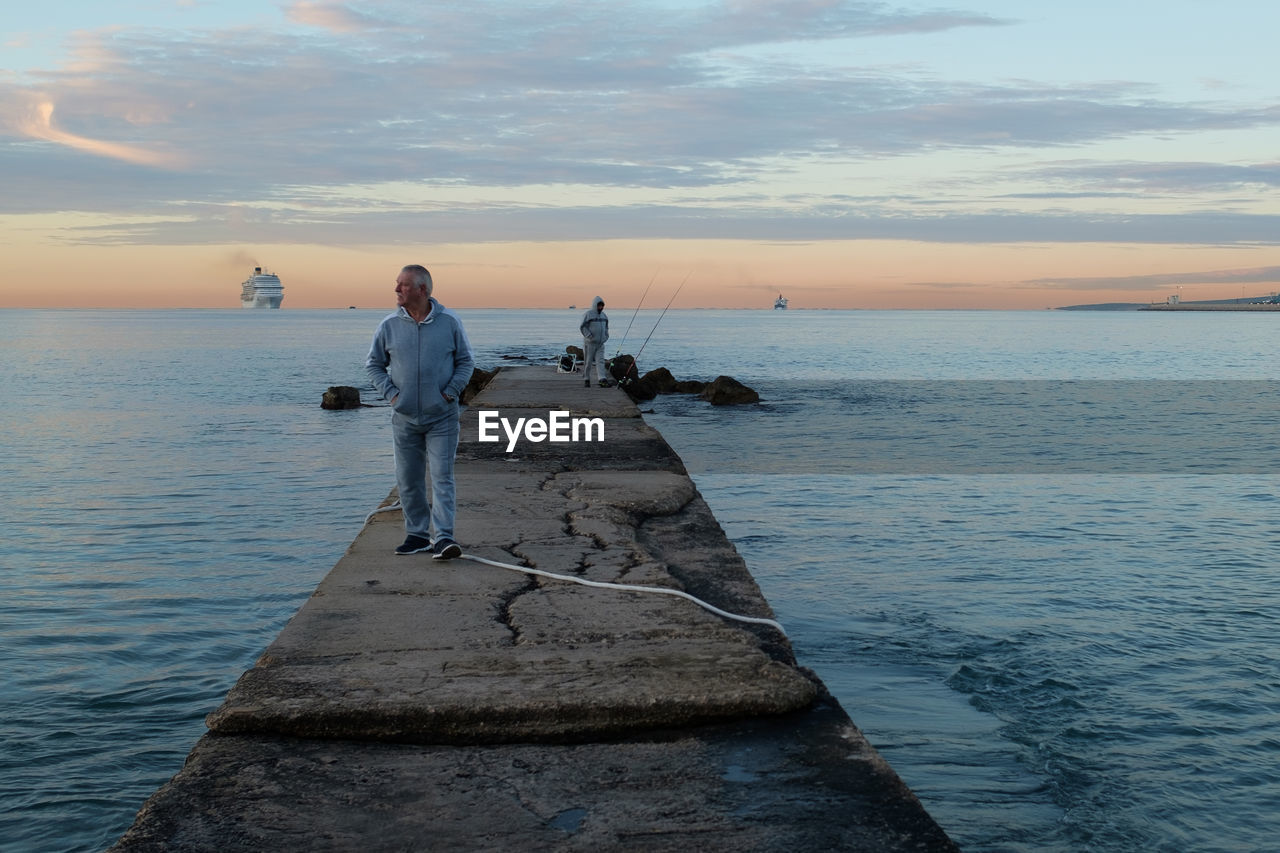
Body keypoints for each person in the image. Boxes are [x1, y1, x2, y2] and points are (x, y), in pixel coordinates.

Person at [365, 264, 474, 559]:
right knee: (408, 478)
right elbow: (373, 365)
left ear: (422, 290)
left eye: (403, 285)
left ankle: (444, 538)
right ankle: (416, 535)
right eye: (397, 284)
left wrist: (449, 393)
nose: (396, 289)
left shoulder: (449, 322)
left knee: (442, 477)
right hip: (404, 418)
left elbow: (466, 362)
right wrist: (393, 395)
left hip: (442, 417)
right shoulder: (388, 325)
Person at [578, 295, 611, 387]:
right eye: (599, 305)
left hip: (600, 343)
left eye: (602, 306)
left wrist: (606, 337)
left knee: (600, 361)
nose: (601, 307)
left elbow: (606, 327)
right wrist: (589, 336)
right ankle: (586, 378)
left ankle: (602, 379)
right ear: (595, 305)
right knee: (588, 362)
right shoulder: (588, 314)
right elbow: (582, 326)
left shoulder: (604, 316)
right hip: (589, 343)